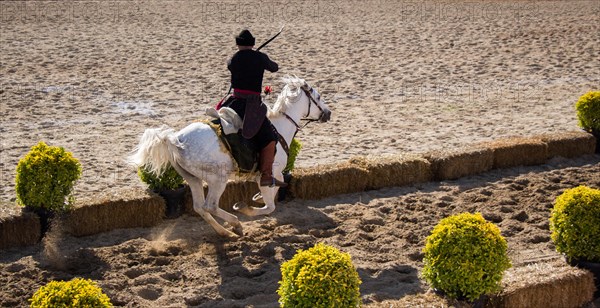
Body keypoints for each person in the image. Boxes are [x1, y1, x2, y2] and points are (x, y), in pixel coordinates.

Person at [223, 29, 287, 187]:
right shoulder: (260, 57)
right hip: (250, 106)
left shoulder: (232, 59)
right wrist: (259, 58)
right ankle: (266, 175)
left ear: (238, 44)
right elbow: (274, 67)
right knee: (270, 137)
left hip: (233, 102)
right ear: (252, 44)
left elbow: (234, 67)